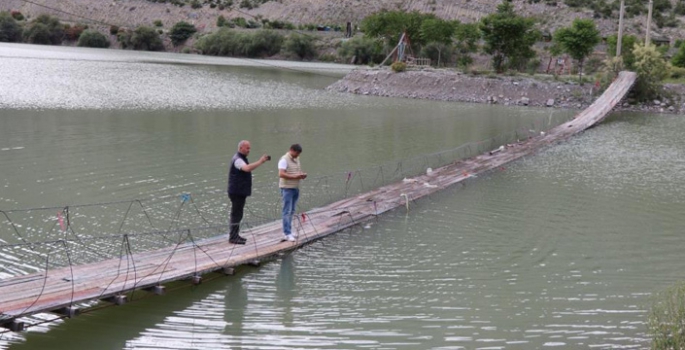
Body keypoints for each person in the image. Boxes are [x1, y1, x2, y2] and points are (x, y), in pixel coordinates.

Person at [227, 140, 270, 244]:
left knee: (239, 214)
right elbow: (246, 168)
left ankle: (236, 235)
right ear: (241, 148)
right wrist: (260, 161)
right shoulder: (237, 159)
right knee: (236, 214)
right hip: (236, 192)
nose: (249, 150)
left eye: (249, 148)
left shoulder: (241, 158)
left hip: (240, 191)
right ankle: (233, 237)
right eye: (247, 148)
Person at [278, 144, 307, 242]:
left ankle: (289, 230)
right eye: (296, 153)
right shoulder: (284, 160)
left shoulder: (297, 159)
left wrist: (301, 174)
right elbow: (281, 174)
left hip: (295, 188)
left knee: (292, 210)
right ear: (291, 150)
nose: (297, 156)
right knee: (286, 211)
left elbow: (296, 171)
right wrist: (295, 177)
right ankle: (286, 233)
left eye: (299, 154)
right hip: (287, 188)